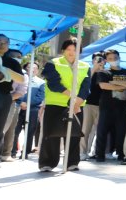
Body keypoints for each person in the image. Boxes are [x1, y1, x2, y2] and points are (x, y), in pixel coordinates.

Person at [38, 38, 90, 172]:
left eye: (75, 50)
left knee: (74, 134)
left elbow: (86, 87)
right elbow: (53, 83)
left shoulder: (85, 66)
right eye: (69, 49)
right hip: (55, 103)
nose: (72, 52)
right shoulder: (53, 63)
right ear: (63, 50)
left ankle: (72, 162)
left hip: (77, 106)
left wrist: (77, 101)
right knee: (51, 134)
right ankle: (47, 163)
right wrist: (71, 96)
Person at [93, 49, 126, 162]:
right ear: (106, 60)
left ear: (119, 57)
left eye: (115, 58)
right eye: (110, 59)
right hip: (106, 107)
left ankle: (121, 154)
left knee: (122, 131)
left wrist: (113, 83)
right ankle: (99, 155)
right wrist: (122, 86)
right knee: (102, 131)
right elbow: (104, 86)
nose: (113, 60)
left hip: (123, 107)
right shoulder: (103, 72)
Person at [0, 36, 25, 166]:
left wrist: (5, 71)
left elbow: (21, 79)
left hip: (3, 95)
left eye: (5, 43)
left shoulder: (12, 62)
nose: (2, 45)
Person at [14, 61, 44, 158]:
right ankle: (12, 151)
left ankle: (25, 152)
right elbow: (16, 92)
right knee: (15, 130)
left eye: (35, 68)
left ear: (37, 70)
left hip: (33, 110)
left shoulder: (41, 82)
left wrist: (28, 104)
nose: (32, 70)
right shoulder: (19, 79)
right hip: (18, 107)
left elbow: (40, 97)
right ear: (25, 69)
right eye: (29, 67)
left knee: (30, 131)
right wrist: (20, 102)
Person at [79, 52, 106, 159]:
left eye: (101, 59)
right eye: (96, 59)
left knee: (99, 130)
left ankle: (94, 151)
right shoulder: (88, 71)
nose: (99, 61)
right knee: (85, 129)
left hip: (103, 105)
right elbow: (84, 82)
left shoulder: (106, 72)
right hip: (89, 104)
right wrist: (94, 68)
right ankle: (82, 151)